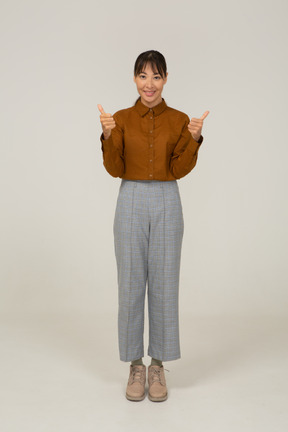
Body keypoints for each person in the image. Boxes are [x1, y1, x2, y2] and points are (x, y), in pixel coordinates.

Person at [98, 50, 209, 402]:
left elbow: (178, 170)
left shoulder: (178, 120)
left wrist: (193, 138)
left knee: (164, 283)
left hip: (166, 199)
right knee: (130, 283)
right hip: (129, 197)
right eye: (143, 76)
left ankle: (157, 365)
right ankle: (135, 365)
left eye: (156, 76)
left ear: (165, 79)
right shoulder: (119, 118)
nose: (150, 84)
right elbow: (115, 168)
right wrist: (107, 136)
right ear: (134, 78)